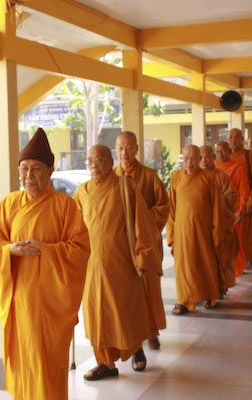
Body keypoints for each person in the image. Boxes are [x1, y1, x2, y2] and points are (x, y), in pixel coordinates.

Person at [0, 127, 90, 400]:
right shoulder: (9, 204)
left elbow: (80, 248)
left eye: (36, 169)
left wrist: (47, 250)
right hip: (20, 299)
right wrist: (10, 250)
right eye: (24, 169)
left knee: (48, 364)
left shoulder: (65, 206)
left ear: (50, 170)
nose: (29, 175)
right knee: (24, 360)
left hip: (51, 304)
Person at [75, 144, 159, 380]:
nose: (94, 165)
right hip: (92, 266)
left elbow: (141, 222)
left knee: (124, 311)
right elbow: (74, 229)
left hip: (121, 262)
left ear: (110, 162)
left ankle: (136, 348)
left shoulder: (125, 186)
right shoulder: (82, 192)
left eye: (100, 159)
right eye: (90, 161)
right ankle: (105, 363)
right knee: (96, 316)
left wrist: (143, 255)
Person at [114, 131, 169, 351]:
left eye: (129, 148)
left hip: (145, 244)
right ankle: (130, 334)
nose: (124, 153)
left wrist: (141, 219)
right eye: (120, 148)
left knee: (148, 289)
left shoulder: (149, 176)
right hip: (121, 246)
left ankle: (152, 331)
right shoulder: (111, 178)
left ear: (137, 149)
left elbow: (163, 207)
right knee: (124, 290)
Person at [167, 145, 223, 314]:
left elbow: (217, 207)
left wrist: (216, 231)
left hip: (203, 230)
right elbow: (171, 208)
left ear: (199, 159)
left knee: (205, 264)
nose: (189, 163)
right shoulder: (176, 177)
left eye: (193, 159)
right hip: (182, 232)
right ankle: (183, 301)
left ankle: (209, 295)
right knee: (183, 267)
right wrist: (171, 233)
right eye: (186, 159)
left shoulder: (209, 178)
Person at [200, 145, 238, 297]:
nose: (204, 160)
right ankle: (204, 289)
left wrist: (215, 203)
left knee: (221, 257)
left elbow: (232, 196)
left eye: (208, 156)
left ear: (213, 157)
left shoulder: (221, 176)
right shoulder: (192, 177)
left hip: (220, 224)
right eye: (201, 157)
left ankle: (221, 286)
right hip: (201, 227)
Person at [228, 128, 252, 269]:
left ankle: (247, 259)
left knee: (246, 233)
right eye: (231, 137)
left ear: (242, 139)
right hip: (229, 202)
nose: (233, 140)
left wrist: (251, 199)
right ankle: (233, 261)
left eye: (237, 137)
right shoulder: (225, 155)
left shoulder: (248, 156)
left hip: (245, 199)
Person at [214, 141, 250, 277]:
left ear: (229, 152)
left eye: (223, 150)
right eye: (217, 151)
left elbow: (244, 191)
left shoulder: (238, 167)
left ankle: (236, 269)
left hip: (233, 211)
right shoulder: (211, 167)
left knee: (235, 241)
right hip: (216, 211)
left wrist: (240, 210)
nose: (220, 154)